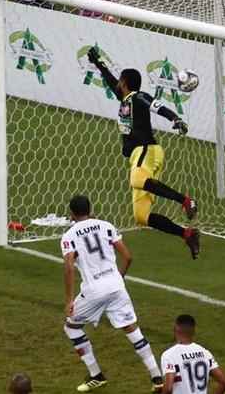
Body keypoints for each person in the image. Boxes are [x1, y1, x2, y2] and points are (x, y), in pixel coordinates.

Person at [86, 46, 201, 258]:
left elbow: (157, 107)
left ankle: (186, 201)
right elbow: (111, 81)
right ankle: (187, 234)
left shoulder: (139, 97)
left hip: (146, 149)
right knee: (141, 216)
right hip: (140, 156)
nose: (117, 83)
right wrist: (99, 64)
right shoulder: (125, 99)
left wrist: (175, 118)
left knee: (136, 179)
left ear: (125, 83)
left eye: (120, 81)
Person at [60, 194, 163, 394]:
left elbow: (69, 268)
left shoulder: (69, 236)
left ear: (71, 213)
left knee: (72, 327)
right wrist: (119, 278)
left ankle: (96, 375)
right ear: (90, 209)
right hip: (116, 285)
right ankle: (157, 377)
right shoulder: (106, 226)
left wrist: (69, 299)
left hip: (93, 290)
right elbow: (128, 256)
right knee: (132, 329)